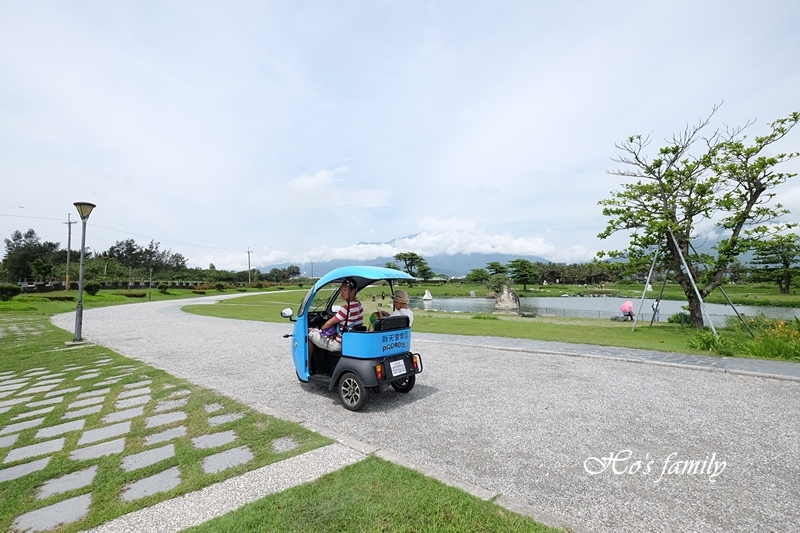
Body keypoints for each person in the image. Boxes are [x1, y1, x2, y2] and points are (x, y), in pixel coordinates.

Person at [308, 278, 363, 362]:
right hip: (349, 341)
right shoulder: (358, 305)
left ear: (353, 291)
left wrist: (321, 328)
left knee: (310, 332)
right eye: (341, 290)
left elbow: (328, 323)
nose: (342, 293)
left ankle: (309, 366)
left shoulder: (346, 308)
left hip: (338, 344)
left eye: (345, 290)